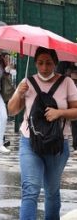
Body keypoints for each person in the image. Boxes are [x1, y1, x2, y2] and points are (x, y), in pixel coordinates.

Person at [8, 47, 77, 220]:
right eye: (40, 63)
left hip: (57, 145)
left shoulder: (67, 82)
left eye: (48, 63)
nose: (44, 68)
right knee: (30, 189)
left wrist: (60, 113)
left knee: (52, 192)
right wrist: (19, 93)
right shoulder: (27, 82)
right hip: (30, 143)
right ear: (35, 63)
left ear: (55, 63)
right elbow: (12, 110)